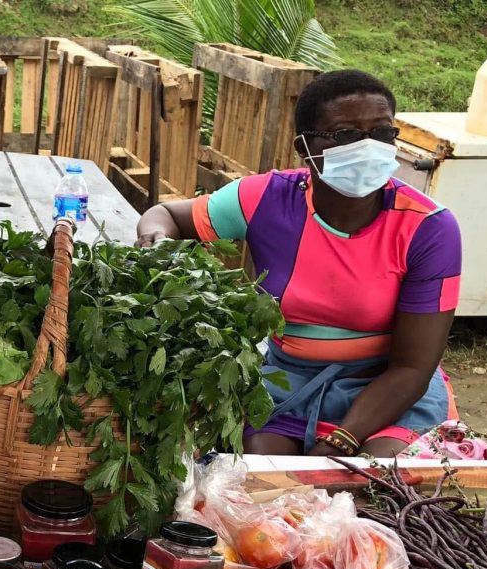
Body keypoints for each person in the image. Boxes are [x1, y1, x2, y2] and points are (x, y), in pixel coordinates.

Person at [135, 69, 461, 458]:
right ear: (304, 147)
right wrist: (154, 240)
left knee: (373, 483)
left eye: (382, 132)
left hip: (387, 389)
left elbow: (412, 368)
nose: (368, 147)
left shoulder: (429, 228)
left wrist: (342, 439)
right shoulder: (265, 200)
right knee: (263, 479)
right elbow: (166, 214)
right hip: (288, 381)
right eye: (346, 135)